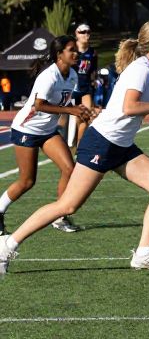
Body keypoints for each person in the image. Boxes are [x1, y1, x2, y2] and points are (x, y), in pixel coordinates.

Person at [0, 20, 149, 276]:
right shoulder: (140, 70)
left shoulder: (148, 71)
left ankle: (143, 253)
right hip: (102, 143)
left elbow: (130, 109)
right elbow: (129, 107)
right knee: (67, 206)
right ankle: (7, 245)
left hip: (121, 146)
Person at [0, 36, 98, 237]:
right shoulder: (49, 76)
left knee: (70, 169)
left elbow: (65, 103)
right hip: (27, 130)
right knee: (27, 181)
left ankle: (59, 217)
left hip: (47, 131)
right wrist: (71, 111)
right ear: (59, 54)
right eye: (71, 50)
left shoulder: (72, 74)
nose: (76, 53)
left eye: (75, 49)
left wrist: (81, 110)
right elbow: (39, 105)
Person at [69, 23, 98, 146]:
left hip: (85, 87)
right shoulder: (71, 50)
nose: (86, 35)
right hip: (71, 88)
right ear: (76, 34)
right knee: (73, 118)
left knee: (86, 116)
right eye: (82, 32)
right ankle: (71, 141)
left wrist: (95, 82)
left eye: (88, 32)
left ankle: (80, 145)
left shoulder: (92, 52)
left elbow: (93, 71)